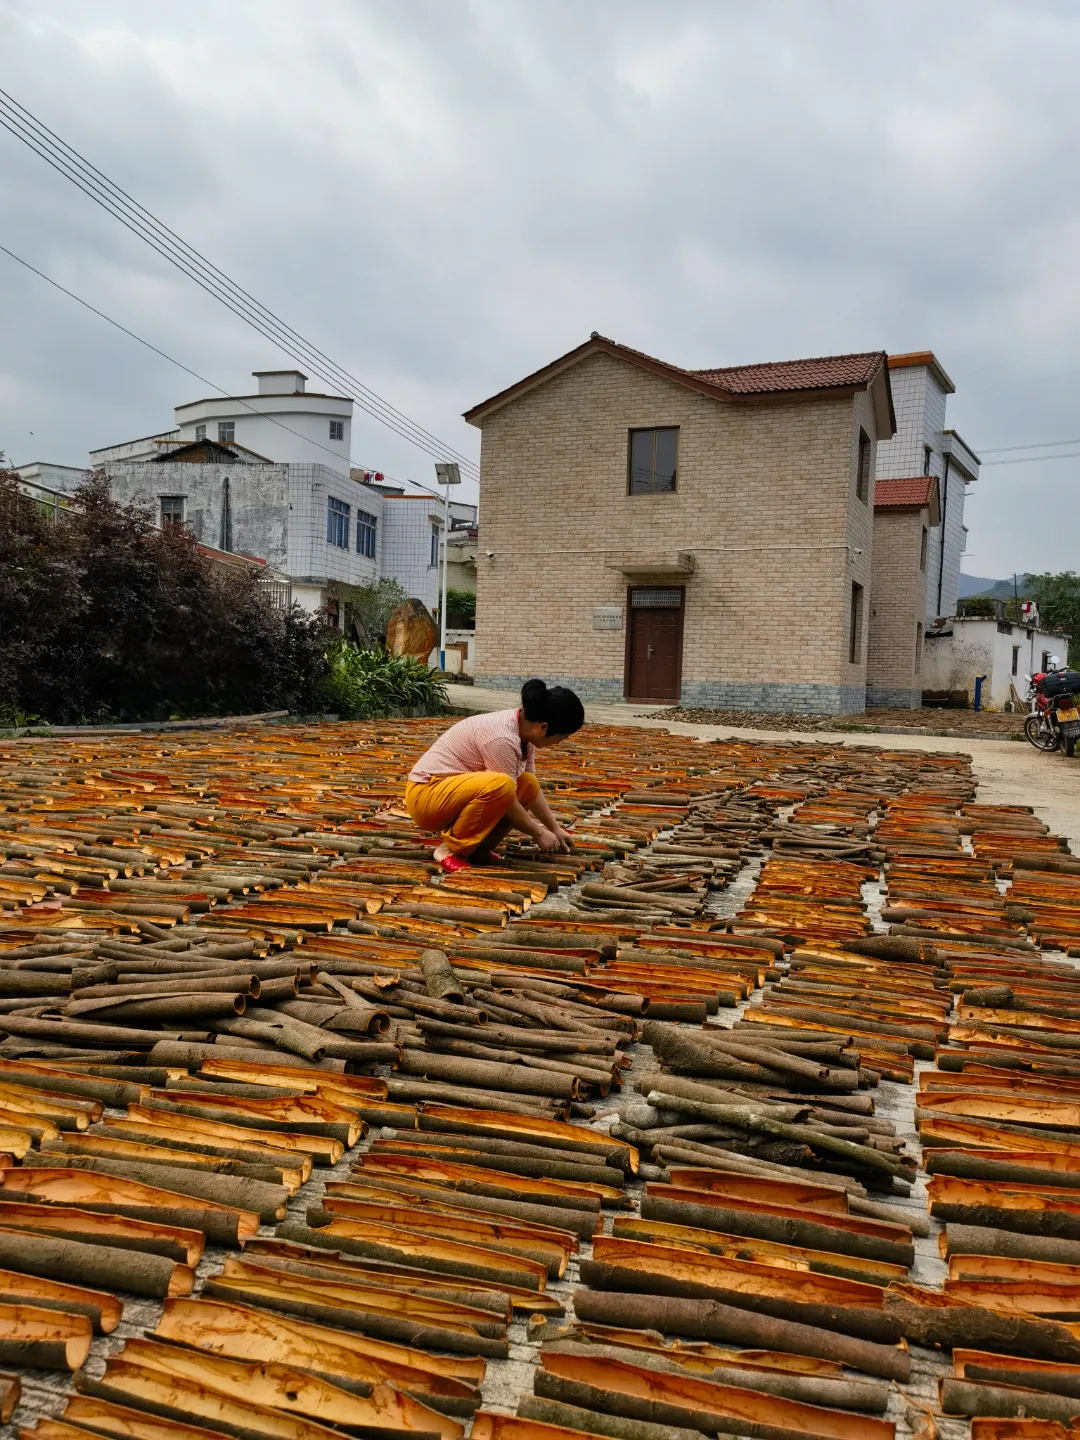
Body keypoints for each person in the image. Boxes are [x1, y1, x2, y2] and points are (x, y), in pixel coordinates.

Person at [405, 678, 585, 872]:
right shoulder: (502, 738)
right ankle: (449, 850)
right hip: (426, 796)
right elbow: (505, 797)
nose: (559, 743)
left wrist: (554, 829)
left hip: (453, 794)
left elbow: (529, 791)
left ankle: (477, 848)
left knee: (528, 784)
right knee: (502, 785)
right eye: (561, 738)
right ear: (543, 727)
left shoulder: (525, 734)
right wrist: (539, 833)